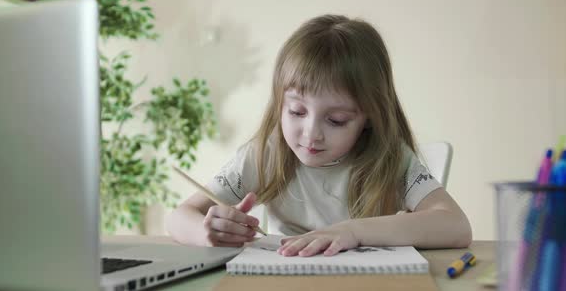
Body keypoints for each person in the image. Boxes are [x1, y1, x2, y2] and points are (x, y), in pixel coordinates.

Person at [166, 14, 472, 257]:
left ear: (369, 117)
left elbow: (456, 226)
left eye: (336, 120)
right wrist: (207, 232)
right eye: (297, 112)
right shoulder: (265, 154)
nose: (311, 135)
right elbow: (179, 217)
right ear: (280, 104)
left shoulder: (388, 159)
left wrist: (353, 232)